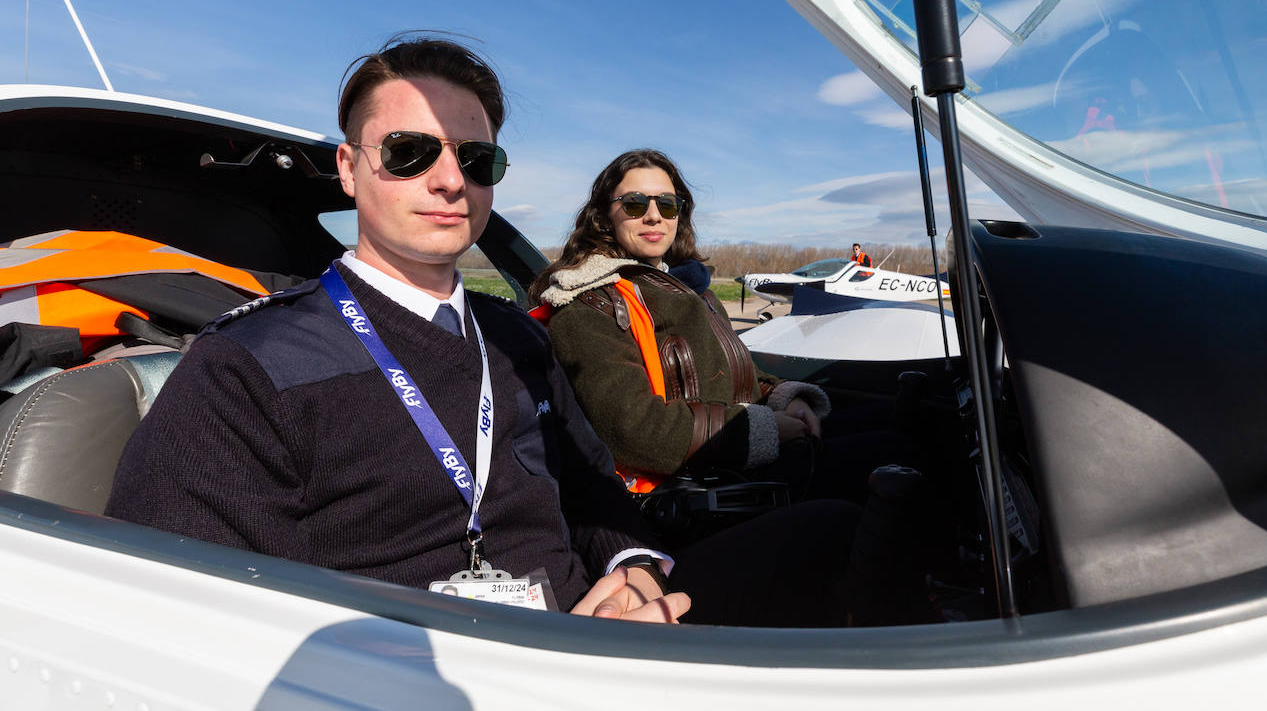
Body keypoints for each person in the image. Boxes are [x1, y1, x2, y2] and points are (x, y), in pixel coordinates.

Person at [106, 37, 685, 623]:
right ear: (349, 169)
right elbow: (176, 614)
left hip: (598, 634)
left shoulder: (520, 338)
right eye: (409, 151)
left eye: (476, 158)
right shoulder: (246, 367)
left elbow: (592, 487)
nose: (450, 181)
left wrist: (632, 570)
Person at [530, 149, 915, 506]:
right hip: (692, 488)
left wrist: (783, 397)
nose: (654, 216)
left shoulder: (689, 290)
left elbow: (736, 375)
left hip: (733, 454)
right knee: (892, 452)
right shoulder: (588, 303)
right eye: (634, 204)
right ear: (603, 217)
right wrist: (763, 427)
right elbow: (636, 433)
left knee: (905, 422)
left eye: (667, 204)